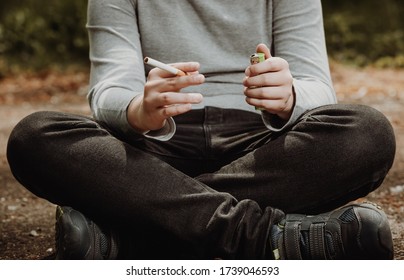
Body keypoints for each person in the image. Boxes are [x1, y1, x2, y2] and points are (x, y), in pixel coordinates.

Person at [6, 0, 396, 260]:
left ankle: (132, 229)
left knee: (368, 133)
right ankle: (264, 235)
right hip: (153, 148)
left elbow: (317, 87)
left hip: (256, 148)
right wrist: (138, 110)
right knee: (35, 136)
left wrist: (290, 97)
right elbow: (109, 88)